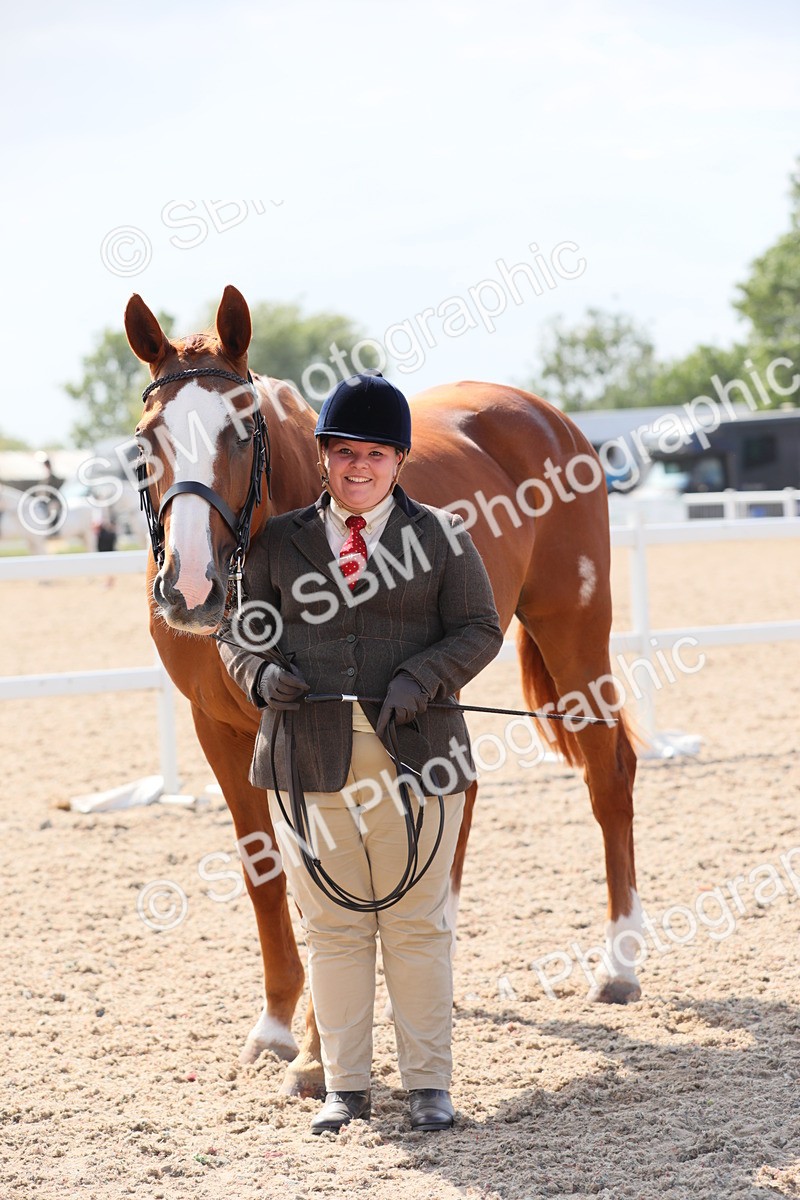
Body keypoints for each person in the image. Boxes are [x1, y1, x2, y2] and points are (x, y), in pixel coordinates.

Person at [218, 372, 503, 1135]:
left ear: (400, 460)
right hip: (306, 761)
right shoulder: (275, 544)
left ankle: (429, 1084)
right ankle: (345, 1086)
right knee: (334, 926)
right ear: (324, 457)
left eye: (376, 454)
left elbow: (479, 627)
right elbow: (236, 632)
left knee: (417, 924)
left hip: (419, 755)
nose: (359, 467)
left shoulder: (442, 537)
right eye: (344, 452)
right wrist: (261, 675)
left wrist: (424, 675)